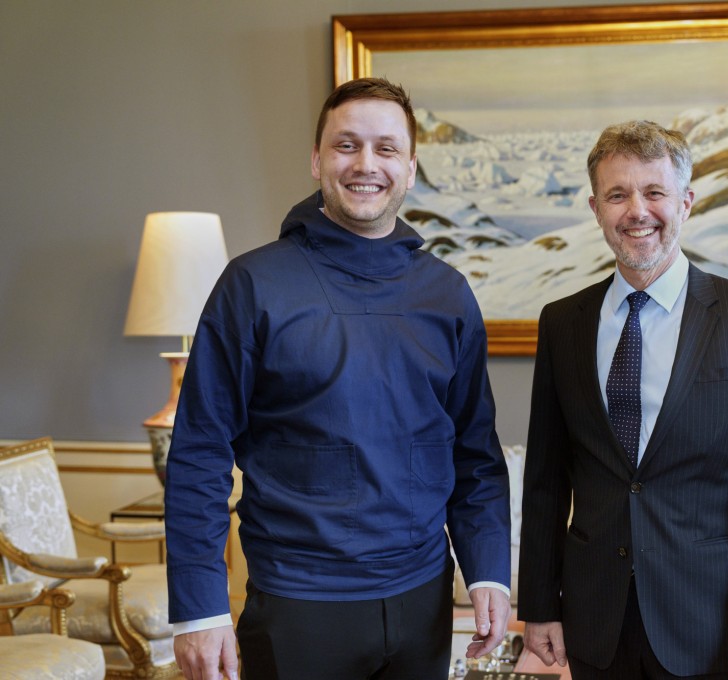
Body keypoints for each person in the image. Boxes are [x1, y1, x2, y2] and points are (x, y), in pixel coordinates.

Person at [164, 77, 511, 680]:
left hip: (422, 600)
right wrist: (199, 609)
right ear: (318, 158)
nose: (366, 164)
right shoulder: (252, 285)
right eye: (347, 145)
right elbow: (199, 452)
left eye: (386, 148)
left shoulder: (448, 293)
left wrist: (486, 570)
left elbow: (474, 453)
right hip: (299, 604)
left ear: (409, 166)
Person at [517, 120, 728, 680]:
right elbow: (547, 481)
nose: (637, 211)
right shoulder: (563, 323)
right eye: (617, 194)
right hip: (593, 618)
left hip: (709, 619)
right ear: (596, 207)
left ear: (686, 201)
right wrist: (537, 606)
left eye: (654, 192)